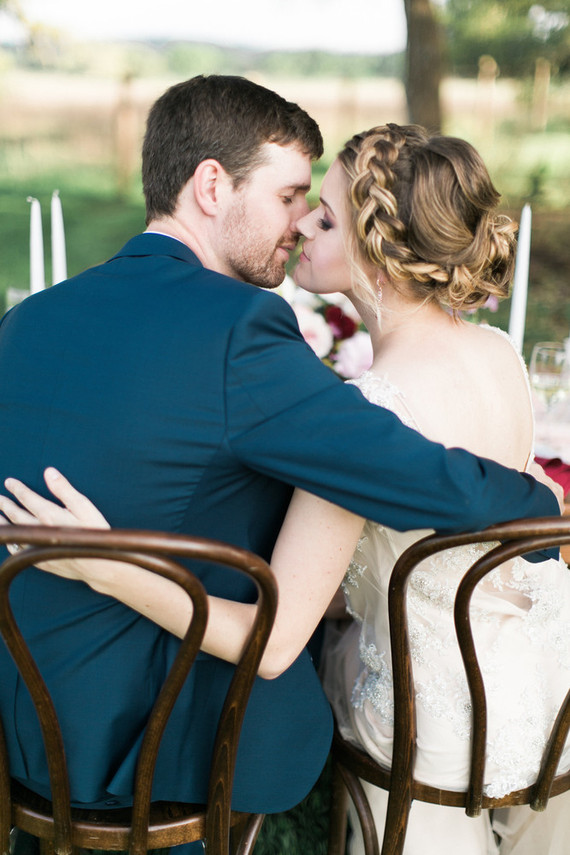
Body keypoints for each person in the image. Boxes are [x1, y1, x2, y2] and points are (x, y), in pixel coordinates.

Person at [0, 79, 561, 830]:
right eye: (291, 195)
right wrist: (536, 505)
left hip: (22, 721)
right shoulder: (241, 329)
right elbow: (402, 468)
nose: (299, 223)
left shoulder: (26, 320)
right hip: (158, 746)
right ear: (210, 185)